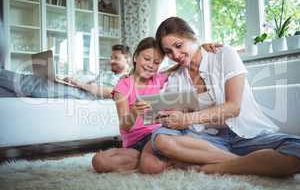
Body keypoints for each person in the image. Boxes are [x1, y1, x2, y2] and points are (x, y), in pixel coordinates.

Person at [150, 17, 300, 177]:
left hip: (246, 134)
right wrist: (169, 116)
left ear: (193, 37)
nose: (176, 54)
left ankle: (209, 168)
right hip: (208, 140)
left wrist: (186, 119)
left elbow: (233, 108)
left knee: (295, 151)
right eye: (168, 52)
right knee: (160, 139)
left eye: (179, 46)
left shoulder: (224, 55)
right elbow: (176, 113)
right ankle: (250, 163)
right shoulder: (176, 77)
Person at [91, 37, 225, 174]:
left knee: (150, 165)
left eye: (156, 62)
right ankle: (169, 160)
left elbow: (178, 64)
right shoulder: (123, 86)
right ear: (136, 57)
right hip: (134, 145)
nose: (151, 65)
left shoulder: (157, 79)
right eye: (147, 59)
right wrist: (134, 112)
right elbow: (125, 125)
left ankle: (157, 160)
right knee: (99, 161)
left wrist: (200, 49)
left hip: (158, 136)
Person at [0, 44, 131, 99]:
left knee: (37, 84)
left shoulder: (126, 78)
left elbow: (109, 92)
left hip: (84, 95)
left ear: (128, 60)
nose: (111, 61)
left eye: (116, 58)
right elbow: (92, 82)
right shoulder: (108, 73)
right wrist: (68, 80)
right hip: (80, 89)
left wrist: (78, 84)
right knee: (40, 82)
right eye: (111, 57)